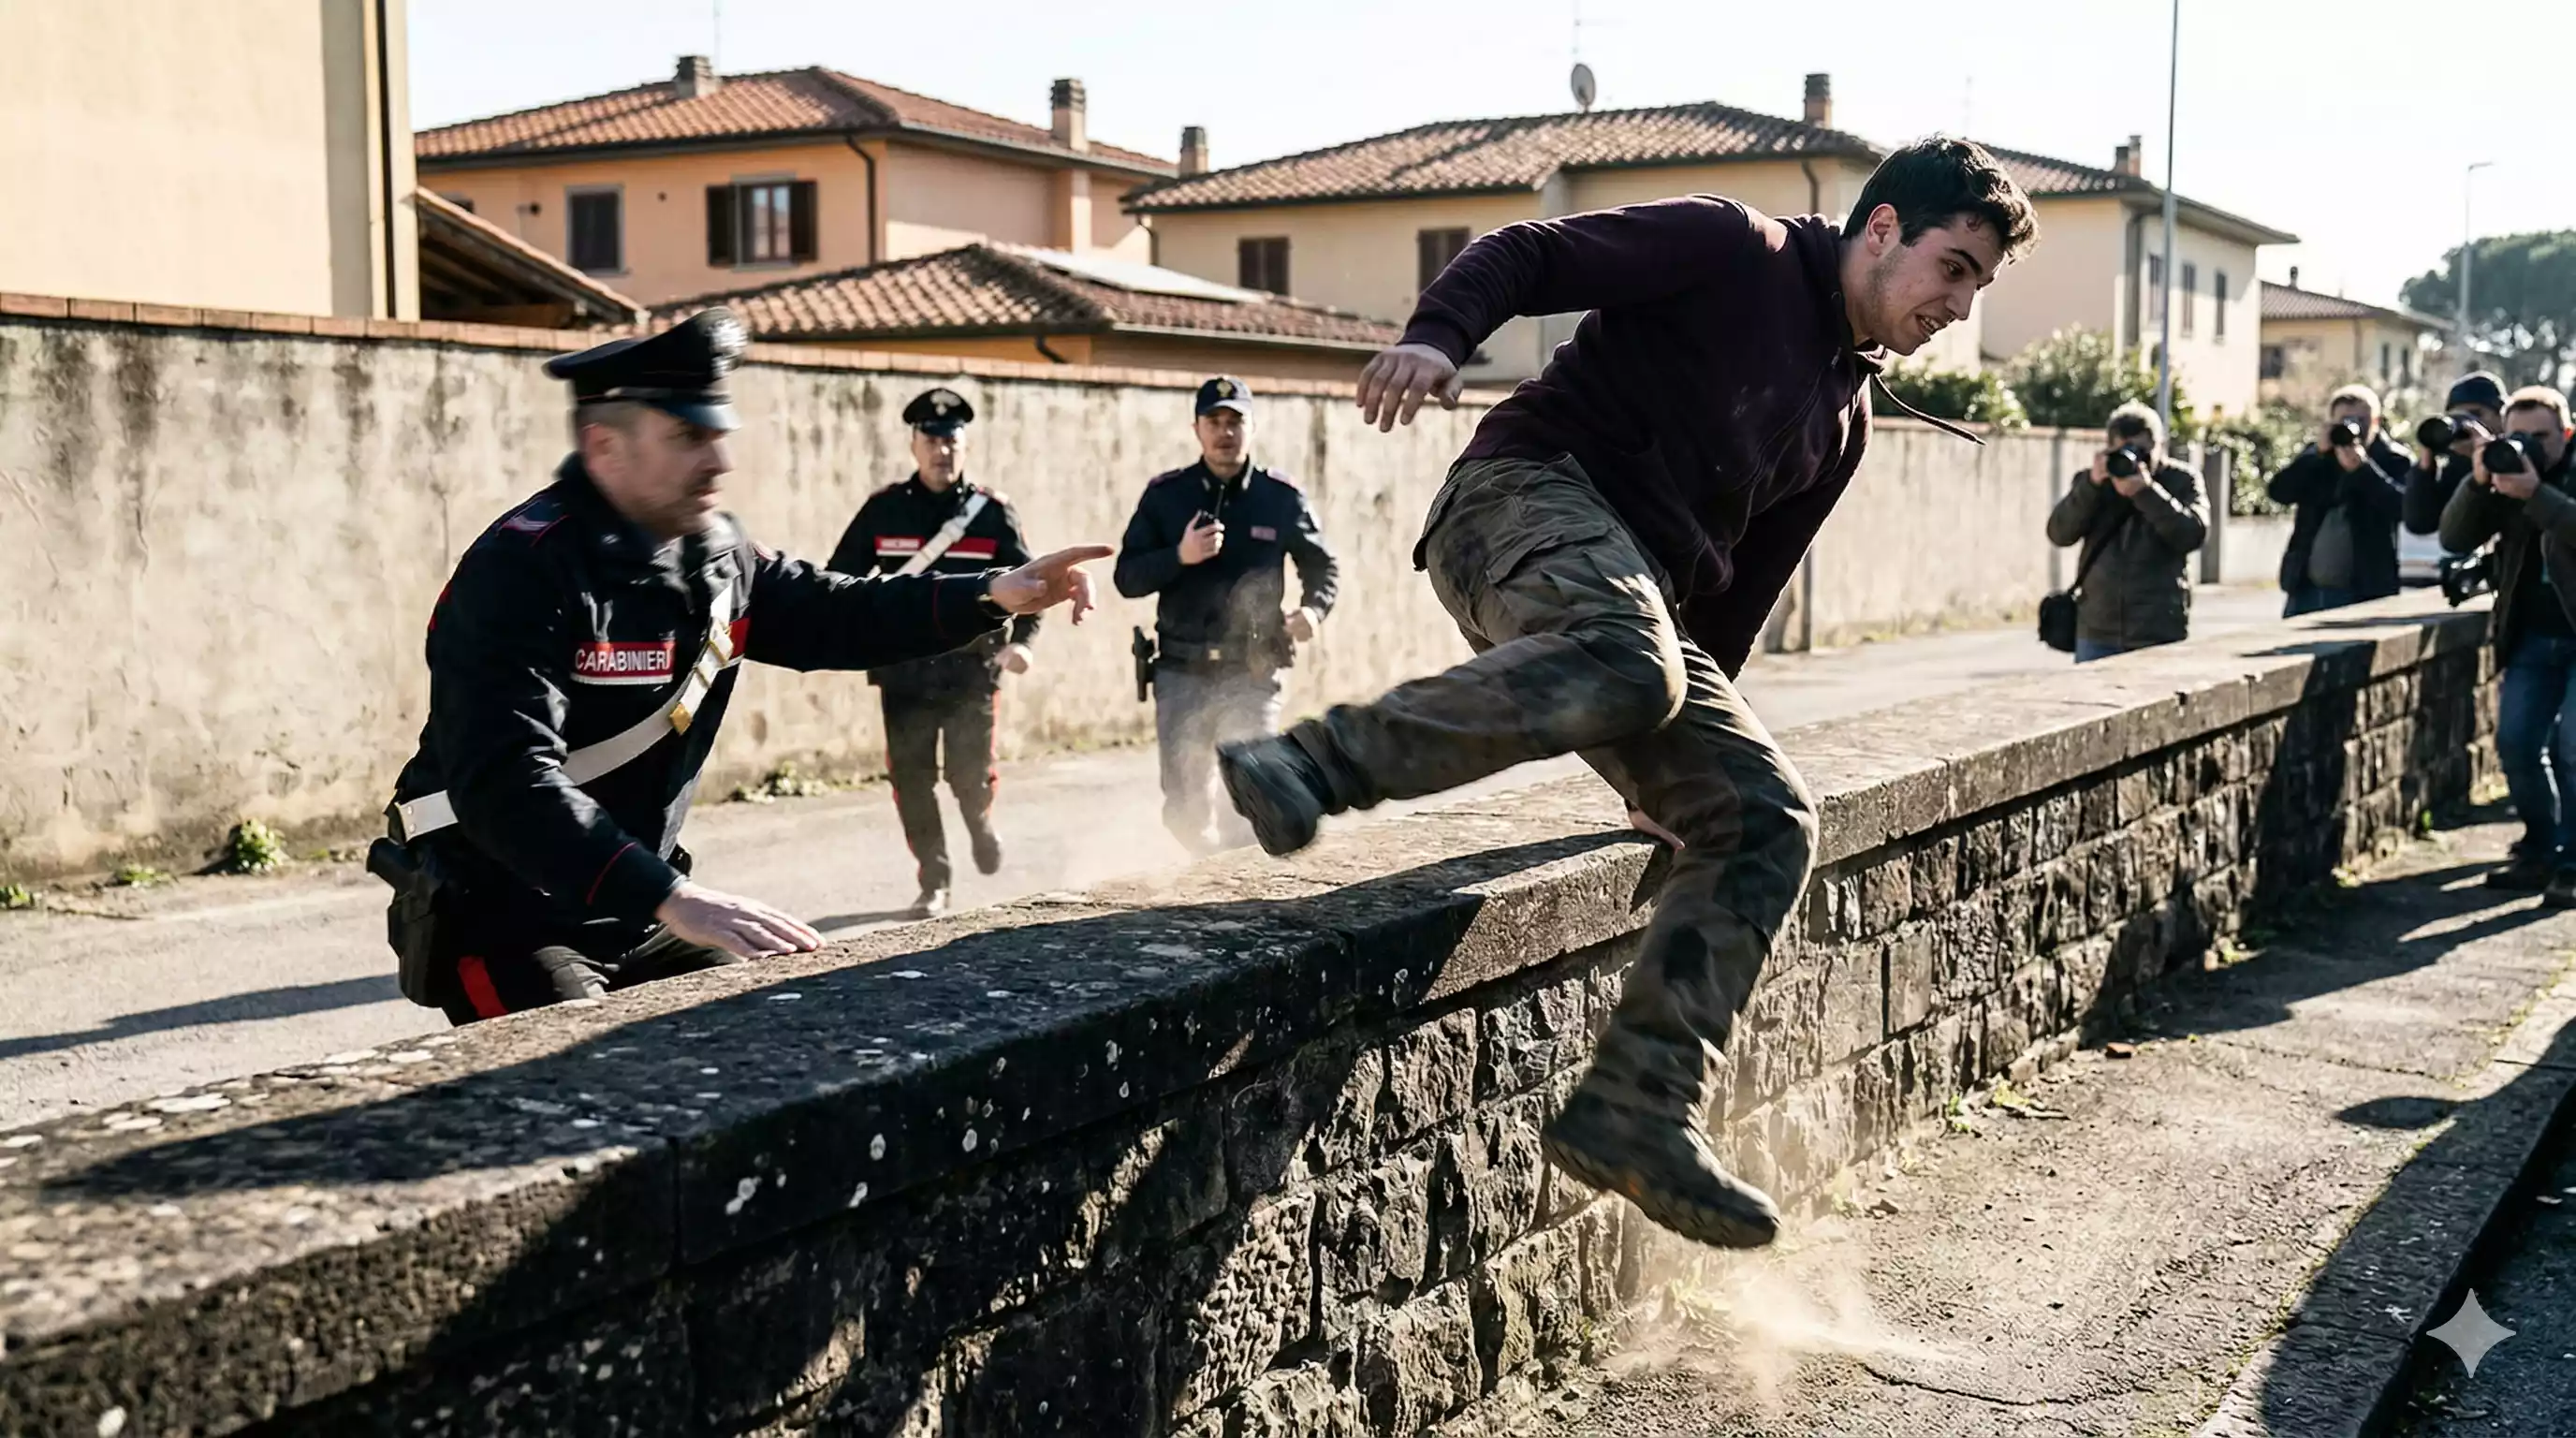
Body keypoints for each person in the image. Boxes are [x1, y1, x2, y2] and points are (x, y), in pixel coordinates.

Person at [1214, 138, 2038, 1249]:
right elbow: (1526, 252)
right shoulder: (1731, 247)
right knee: (1633, 654)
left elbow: (1734, 609)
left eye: (1977, 287)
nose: (1957, 303)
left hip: (1630, 613)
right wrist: (1434, 339)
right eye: (1953, 267)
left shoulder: (1844, 421)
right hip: (1516, 502)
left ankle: (1636, 1110)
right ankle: (1310, 764)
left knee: (1765, 819)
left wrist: (1670, 770)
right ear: (1881, 228)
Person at [378, 311, 1107, 1025]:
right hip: (506, 912)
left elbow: (838, 615)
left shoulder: (717, 556)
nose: (720, 462)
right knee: (591, 1085)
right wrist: (673, 897)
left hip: (637, 907)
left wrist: (992, 594)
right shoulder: (522, 571)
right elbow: (510, 784)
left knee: (788, 1032)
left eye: (718, 435)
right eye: (689, 437)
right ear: (605, 447)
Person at [827, 389, 1041, 918]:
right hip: (903, 672)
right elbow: (838, 580)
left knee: (968, 779)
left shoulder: (992, 514)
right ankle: (935, 881)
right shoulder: (883, 510)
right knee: (911, 780)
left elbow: (1032, 585)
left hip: (971, 669)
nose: (941, 450)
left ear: (964, 446)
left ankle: (980, 822)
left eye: (951, 440)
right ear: (914, 444)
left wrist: (1022, 644)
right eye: (932, 439)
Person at [1114, 376, 1339, 854]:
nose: (1224, 432)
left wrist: (1313, 611)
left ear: (1250, 427)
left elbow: (1323, 566)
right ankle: (1202, 875)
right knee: (1183, 806)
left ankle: (1235, 907)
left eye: (1234, 421)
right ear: (1196, 429)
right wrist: (1179, 556)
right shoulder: (1165, 496)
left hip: (1253, 671)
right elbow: (1127, 577)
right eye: (1214, 421)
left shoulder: (1280, 497)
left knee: (1251, 794)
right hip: (1182, 671)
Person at [2437, 385, 2576, 902]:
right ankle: (2540, 850)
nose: (2530, 447)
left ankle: (2574, 862)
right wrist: (2478, 483)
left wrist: (2536, 494)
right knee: (2517, 746)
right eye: (2519, 437)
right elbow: (2452, 538)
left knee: (2573, 750)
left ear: (2566, 433)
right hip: (2533, 636)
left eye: (2541, 437)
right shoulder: (2504, 472)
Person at [2043, 402, 2209, 662]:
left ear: (2160, 446)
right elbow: (2059, 534)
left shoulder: (2182, 481)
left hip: (2156, 631)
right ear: (2108, 448)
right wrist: (2091, 486)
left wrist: (2146, 492)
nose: (2134, 460)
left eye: (2143, 452)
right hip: (2097, 630)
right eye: (2124, 451)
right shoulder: (2094, 481)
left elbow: (2193, 534)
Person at [2266, 384, 2410, 616]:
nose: (2354, 428)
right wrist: (2317, 456)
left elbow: (2405, 508)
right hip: (2307, 590)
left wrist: (2363, 470)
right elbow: (2278, 492)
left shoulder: (2394, 460)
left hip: (2366, 591)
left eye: (2362, 420)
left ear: (2376, 422)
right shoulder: (2317, 455)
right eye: (2345, 420)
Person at [2403, 371, 2510, 538]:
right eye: (2456, 417)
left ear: (2502, 416)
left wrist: (2487, 457)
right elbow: (2420, 523)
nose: (2466, 423)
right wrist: (2425, 467)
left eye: (2476, 414)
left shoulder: (2515, 454)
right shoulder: (2454, 465)